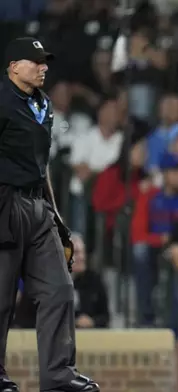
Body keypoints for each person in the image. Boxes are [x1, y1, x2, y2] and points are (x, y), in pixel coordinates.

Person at [0, 38, 99, 392]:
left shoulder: (43, 104)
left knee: (58, 289)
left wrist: (56, 217)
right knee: (1, 297)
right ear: (13, 66)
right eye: (35, 61)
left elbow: (42, 168)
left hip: (38, 206)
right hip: (4, 203)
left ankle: (58, 376)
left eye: (45, 62)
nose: (43, 67)